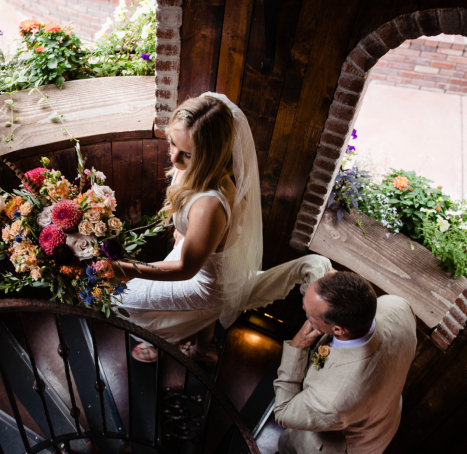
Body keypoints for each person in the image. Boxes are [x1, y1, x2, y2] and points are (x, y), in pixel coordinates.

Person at [114, 92, 331, 365]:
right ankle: (203, 348)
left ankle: (167, 340)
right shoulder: (212, 170)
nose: (174, 159)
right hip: (205, 260)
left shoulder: (209, 206)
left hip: (205, 280)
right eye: (172, 144)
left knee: (122, 301)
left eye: (187, 155)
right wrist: (185, 233)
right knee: (195, 312)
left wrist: (122, 269)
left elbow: (185, 270)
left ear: (209, 155)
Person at [272, 271, 417, 454]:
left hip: (337, 446)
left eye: (309, 313)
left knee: (289, 449)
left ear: (338, 330)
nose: (304, 307)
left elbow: (283, 412)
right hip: (381, 416)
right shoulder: (397, 305)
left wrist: (297, 348)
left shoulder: (331, 400)